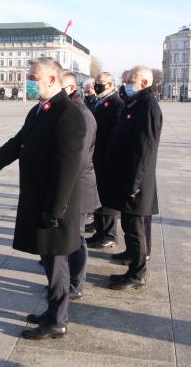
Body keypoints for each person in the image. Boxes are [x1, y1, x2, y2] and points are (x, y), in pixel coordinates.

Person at [0, 57, 85, 340]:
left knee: (57, 265)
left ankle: (57, 320)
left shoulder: (69, 113)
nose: (28, 81)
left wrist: (55, 210)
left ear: (52, 79)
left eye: (33, 77)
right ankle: (53, 312)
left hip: (55, 205)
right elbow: (18, 142)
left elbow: (68, 168)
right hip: (39, 200)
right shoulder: (40, 109)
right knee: (50, 261)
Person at [100, 65, 163, 290]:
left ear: (144, 83)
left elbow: (145, 149)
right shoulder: (136, 104)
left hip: (136, 182)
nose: (126, 85)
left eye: (131, 81)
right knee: (130, 226)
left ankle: (137, 273)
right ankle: (132, 261)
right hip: (128, 179)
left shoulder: (148, 107)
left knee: (135, 228)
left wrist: (134, 184)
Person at [61, 71, 100, 300]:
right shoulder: (70, 109)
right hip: (73, 185)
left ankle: (77, 283)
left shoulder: (81, 114)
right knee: (72, 235)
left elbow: (78, 157)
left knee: (77, 236)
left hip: (79, 185)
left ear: (71, 87)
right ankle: (69, 278)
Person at [87, 72, 124, 249]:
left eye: (100, 83)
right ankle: (100, 231)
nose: (97, 85)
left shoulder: (117, 103)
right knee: (98, 196)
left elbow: (115, 134)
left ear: (111, 85)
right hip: (96, 157)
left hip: (106, 158)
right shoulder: (99, 101)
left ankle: (109, 234)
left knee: (107, 199)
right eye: (96, 82)